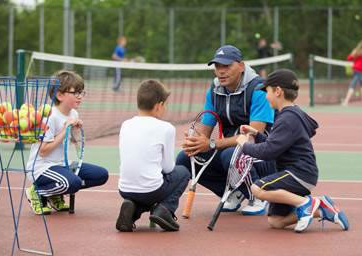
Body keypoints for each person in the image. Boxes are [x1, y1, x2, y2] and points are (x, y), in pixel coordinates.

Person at [236, 68, 349, 232]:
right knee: (276, 221)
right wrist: (256, 134)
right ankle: (322, 208)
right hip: (300, 174)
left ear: (278, 91)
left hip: (298, 173)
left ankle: (306, 203)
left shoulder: (288, 119)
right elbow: (277, 144)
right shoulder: (290, 115)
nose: (266, 96)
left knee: (257, 188)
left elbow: (269, 152)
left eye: (267, 91)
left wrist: (243, 145)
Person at [176, 45, 275, 216]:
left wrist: (212, 144)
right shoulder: (214, 91)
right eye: (217, 66)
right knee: (185, 157)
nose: (221, 71)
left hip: (265, 157)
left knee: (231, 154)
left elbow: (252, 137)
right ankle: (233, 192)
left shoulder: (259, 90)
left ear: (241, 66)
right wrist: (194, 141)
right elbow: (204, 132)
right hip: (232, 154)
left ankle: (258, 196)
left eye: (226, 66)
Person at [25, 70, 109, 215]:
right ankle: (37, 191)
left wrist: (76, 131)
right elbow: (43, 151)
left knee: (101, 175)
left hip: (63, 164)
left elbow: (75, 143)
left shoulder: (73, 113)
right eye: (75, 92)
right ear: (60, 95)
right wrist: (65, 130)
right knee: (73, 182)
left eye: (81, 92)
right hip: (42, 167)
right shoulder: (49, 116)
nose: (80, 96)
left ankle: (55, 192)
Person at [116, 80, 190, 232]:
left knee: (147, 187)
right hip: (151, 189)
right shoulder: (166, 128)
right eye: (165, 105)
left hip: (124, 188)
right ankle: (165, 209)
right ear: (159, 105)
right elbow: (168, 167)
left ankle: (133, 209)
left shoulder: (125, 125)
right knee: (183, 172)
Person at [342, 39, 362, 106]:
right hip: (358, 71)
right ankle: (346, 101)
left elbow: (349, 58)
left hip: (356, 71)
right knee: (353, 85)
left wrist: (353, 54)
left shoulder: (357, 51)